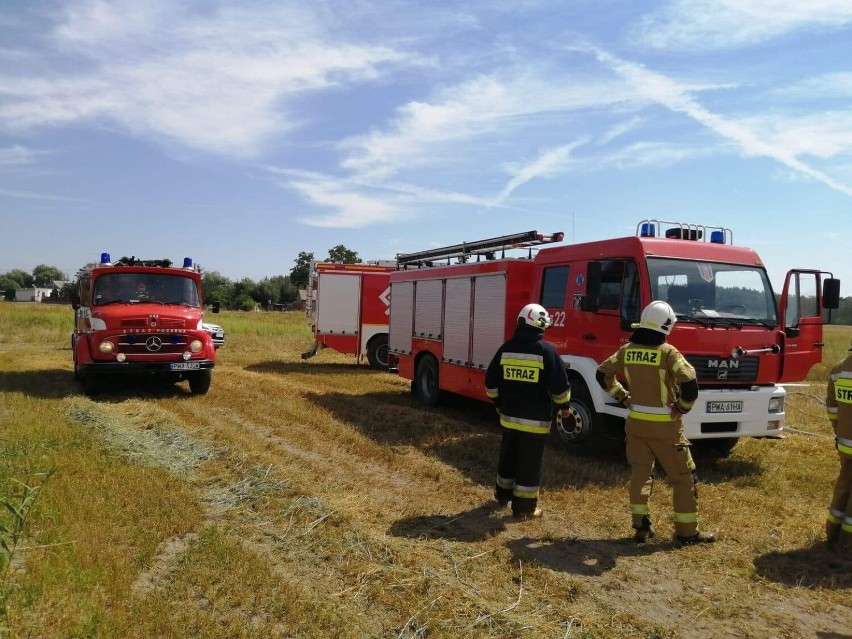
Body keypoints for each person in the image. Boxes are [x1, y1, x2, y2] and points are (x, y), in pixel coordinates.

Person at [596, 300, 715, 545]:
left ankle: (641, 528)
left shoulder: (626, 350)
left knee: (640, 475)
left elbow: (602, 373)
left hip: (636, 425)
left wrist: (622, 396)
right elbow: (690, 383)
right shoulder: (669, 353)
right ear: (667, 325)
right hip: (667, 429)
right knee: (682, 477)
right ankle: (687, 533)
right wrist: (681, 407)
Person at [485, 303, 571, 519]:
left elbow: (490, 382)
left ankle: (502, 495)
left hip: (508, 418)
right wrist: (565, 407)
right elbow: (560, 386)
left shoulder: (505, 348)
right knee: (529, 462)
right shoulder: (547, 350)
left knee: (508, 456)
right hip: (535, 421)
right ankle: (524, 508)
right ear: (541, 325)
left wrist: (497, 403)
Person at [825, 342, 852, 548]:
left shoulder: (838, 369)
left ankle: (832, 530)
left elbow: (832, 408)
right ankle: (847, 541)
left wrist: (839, 430)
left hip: (844, 442)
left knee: (844, 484)